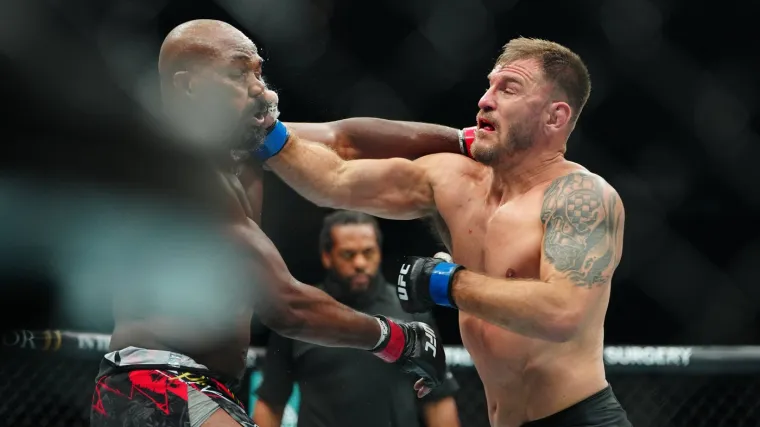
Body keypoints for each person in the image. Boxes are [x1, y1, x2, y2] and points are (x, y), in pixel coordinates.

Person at [90, 19, 463, 427]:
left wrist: (464, 141)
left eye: (258, 71)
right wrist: (398, 339)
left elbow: (345, 140)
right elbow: (286, 306)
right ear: (190, 86)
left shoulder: (239, 149)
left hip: (200, 386)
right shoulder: (177, 168)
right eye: (238, 73)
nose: (260, 89)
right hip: (154, 379)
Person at [257, 38, 631, 427]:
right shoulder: (454, 180)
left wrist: (446, 282)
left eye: (509, 89)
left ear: (554, 117)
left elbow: (563, 313)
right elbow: (334, 179)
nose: (485, 100)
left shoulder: (579, 197)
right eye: (489, 85)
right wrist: (266, 133)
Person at [253, 211, 460, 427]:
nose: (360, 263)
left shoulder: (411, 313)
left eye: (368, 252)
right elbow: (271, 402)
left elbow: (438, 400)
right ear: (327, 256)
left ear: (379, 252)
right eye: (348, 254)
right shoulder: (302, 313)